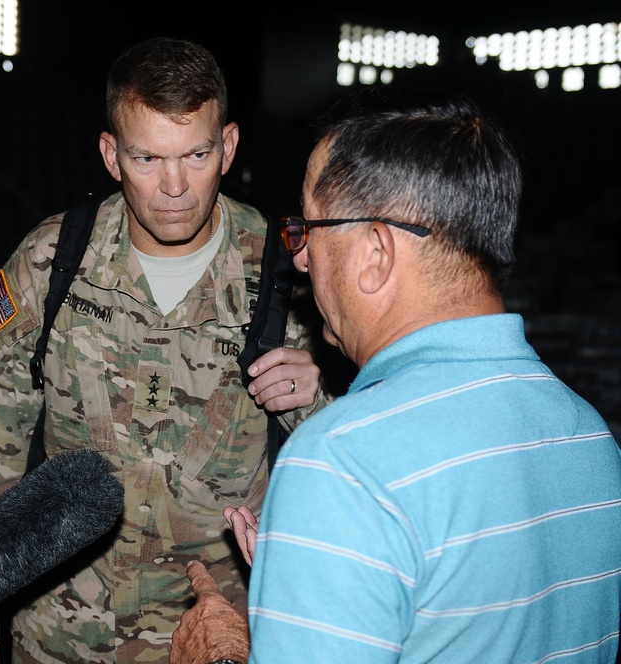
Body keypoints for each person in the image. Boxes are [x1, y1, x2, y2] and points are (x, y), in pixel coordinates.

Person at [169, 86, 621, 664]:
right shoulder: (588, 435)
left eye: (310, 229)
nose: (300, 258)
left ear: (377, 252)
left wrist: (226, 657)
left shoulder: (343, 462)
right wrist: (323, 582)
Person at [0, 36, 327, 663]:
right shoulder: (53, 260)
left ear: (227, 147)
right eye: (147, 158)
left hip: (213, 635)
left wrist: (318, 395)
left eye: (196, 154)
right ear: (110, 155)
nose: (174, 186)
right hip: (62, 636)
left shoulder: (291, 267)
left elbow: (350, 461)